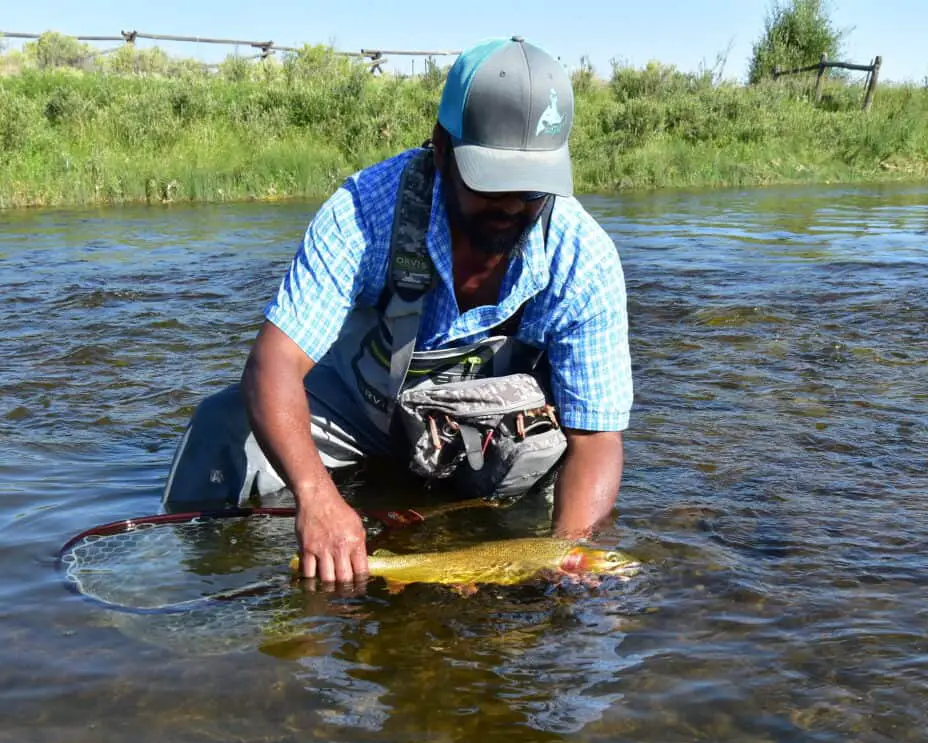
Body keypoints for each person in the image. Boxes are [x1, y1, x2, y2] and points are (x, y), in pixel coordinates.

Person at [160, 35, 633, 585]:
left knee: (557, 496)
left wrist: (566, 556)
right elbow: (274, 364)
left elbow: (596, 437)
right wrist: (316, 498)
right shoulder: (364, 211)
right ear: (440, 147)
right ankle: (186, 588)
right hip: (354, 413)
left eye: (531, 192)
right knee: (221, 427)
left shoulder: (584, 256)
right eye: (491, 185)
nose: (510, 206)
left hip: (485, 440)